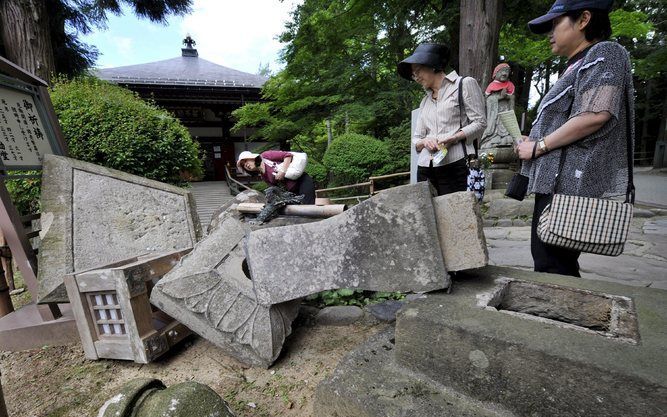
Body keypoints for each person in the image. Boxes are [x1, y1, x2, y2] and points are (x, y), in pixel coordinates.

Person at [516, 0, 634, 277]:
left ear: (583, 19)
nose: (550, 33)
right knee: (551, 259)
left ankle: (555, 318)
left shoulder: (606, 52)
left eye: (556, 23)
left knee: (552, 263)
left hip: (569, 183)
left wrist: (539, 146)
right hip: (556, 181)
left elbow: (596, 114)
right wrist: (532, 138)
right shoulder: (578, 64)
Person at [398, 43, 486, 196]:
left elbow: (480, 122)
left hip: (455, 163)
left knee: (457, 214)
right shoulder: (424, 102)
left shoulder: (464, 84)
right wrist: (425, 142)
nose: (416, 77)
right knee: (428, 216)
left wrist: (454, 137)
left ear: (432, 66)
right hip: (425, 167)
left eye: (418, 71)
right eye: (413, 74)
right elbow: (417, 139)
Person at [236, 150, 316, 204]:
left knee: (308, 207)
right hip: (292, 192)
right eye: (243, 165)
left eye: (245, 161)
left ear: (252, 158)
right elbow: (276, 188)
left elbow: (288, 155)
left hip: (302, 181)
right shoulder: (263, 175)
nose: (246, 165)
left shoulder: (265, 156)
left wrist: (282, 171)